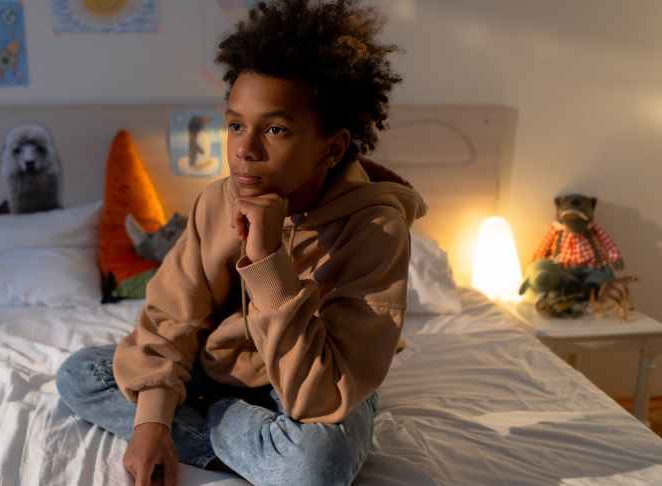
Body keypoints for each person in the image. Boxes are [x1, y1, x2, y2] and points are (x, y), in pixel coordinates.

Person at [56, 1, 427, 485]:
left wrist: (269, 261)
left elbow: (321, 397)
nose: (244, 150)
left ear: (332, 147)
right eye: (235, 124)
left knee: (314, 467)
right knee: (80, 375)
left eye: (275, 129)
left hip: (317, 379)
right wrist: (150, 423)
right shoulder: (217, 202)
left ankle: (211, 420)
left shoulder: (375, 230)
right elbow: (171, 317)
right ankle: (236, 429)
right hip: (218, 367)